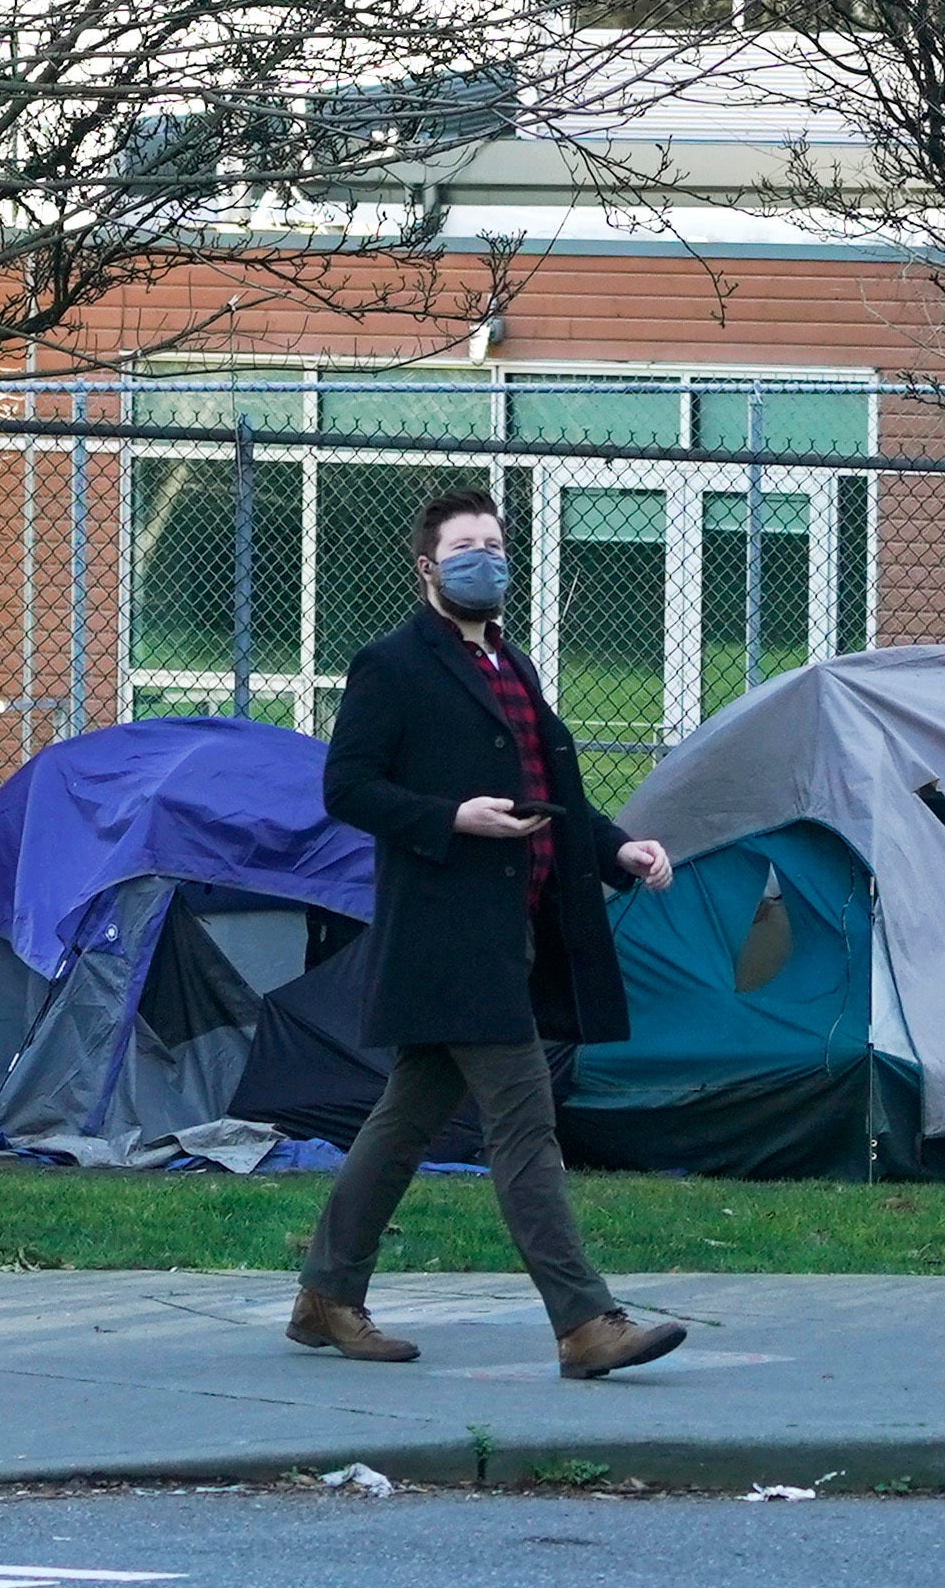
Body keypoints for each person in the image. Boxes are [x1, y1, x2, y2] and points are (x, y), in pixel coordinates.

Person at [294, 488, 685, 1379]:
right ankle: (586, 1322)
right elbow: (345, 787)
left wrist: (622, 848)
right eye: (466, 546)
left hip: (517, 932)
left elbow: (553, 799)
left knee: (401, 1124)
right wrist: (449, 817)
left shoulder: (514, 668)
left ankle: (324, 1294)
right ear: (427, 566)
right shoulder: (391, 664)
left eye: (496, 545)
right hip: (449, 939)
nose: (486, 558)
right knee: (524, 1125)